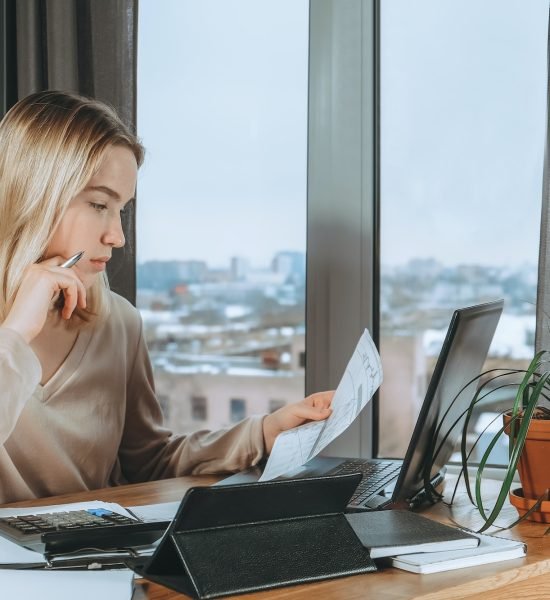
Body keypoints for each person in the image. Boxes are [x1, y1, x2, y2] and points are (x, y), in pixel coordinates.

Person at [0, 90, 333, 505]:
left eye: (121, 209)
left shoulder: (118, 324)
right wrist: (15, 333)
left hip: (89, 560)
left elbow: (150, 462)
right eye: (99, 204)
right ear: (34, 197)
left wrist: (264, 433)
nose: (117, 237)